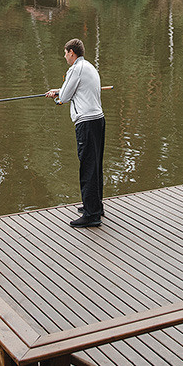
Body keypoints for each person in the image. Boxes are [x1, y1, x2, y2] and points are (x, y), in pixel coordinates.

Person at [45, 38, 106, 227]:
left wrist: (58, 94)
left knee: (87, 166)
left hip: (86, 123)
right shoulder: (88, 66)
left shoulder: (75, 69)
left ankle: (91, 215)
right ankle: (95, 205)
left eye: (65, 53)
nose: (64, 57)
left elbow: (64, 96)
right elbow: (72, 90)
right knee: (95, 165)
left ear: (72, 52)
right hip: (98, 120)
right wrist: (60, 91)